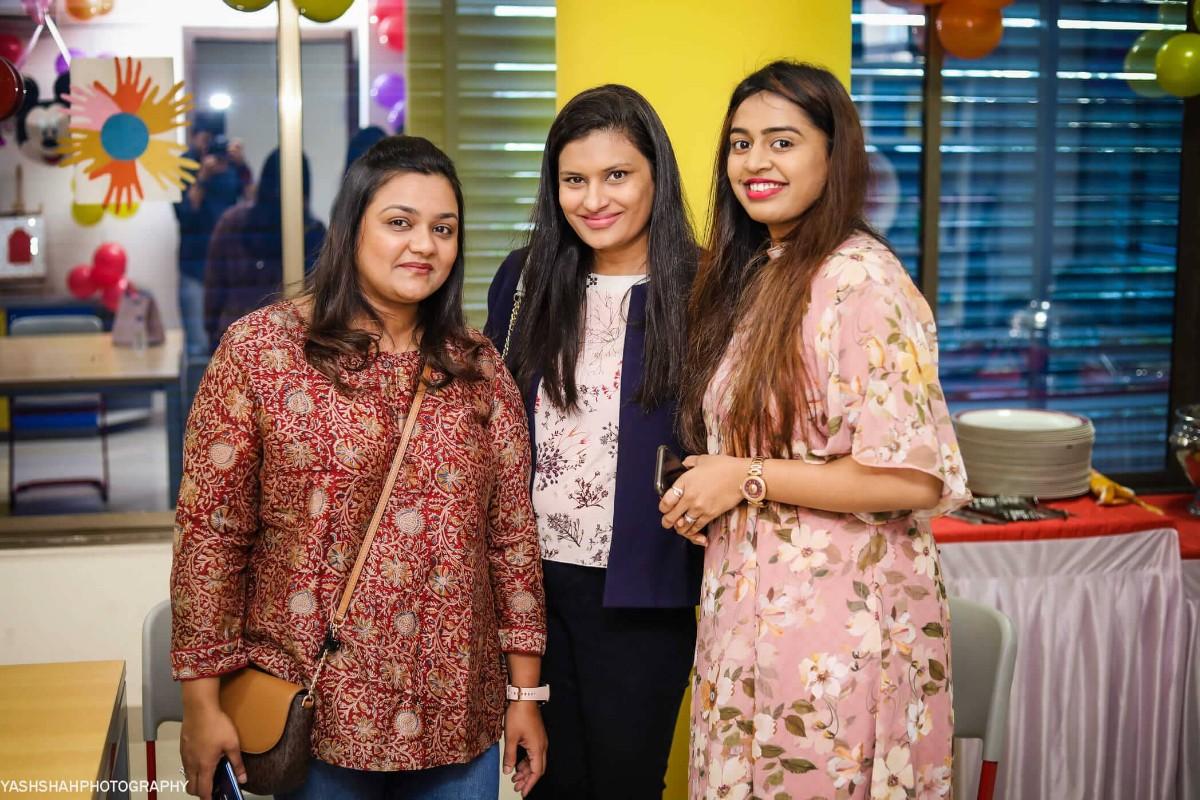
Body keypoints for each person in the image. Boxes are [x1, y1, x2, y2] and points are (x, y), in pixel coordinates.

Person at [171, 135, 548, 800]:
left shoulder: (478, 368)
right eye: (400, 222)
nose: (424, 245)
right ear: (351, 229)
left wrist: (525, 695)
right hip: (316, 716)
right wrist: (202, 705)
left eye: (443, 229)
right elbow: (211, 537)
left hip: (455, 717)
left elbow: (512, 540)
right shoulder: (263, 353)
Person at [660, 61, 970, 799]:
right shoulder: (763, 273)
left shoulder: (861, 280)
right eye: (740, 143)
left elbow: (911, 476)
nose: (755, 162)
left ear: (835, 156)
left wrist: (744, 478)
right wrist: (710, 492)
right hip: (752, 619)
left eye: (782, 141)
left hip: (841, 633)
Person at [484, 84, 701, 799]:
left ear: (655, 177)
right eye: (574, 180)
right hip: (530, 589)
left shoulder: (705, 287)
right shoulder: (524, 279)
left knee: (624, 784)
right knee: (541, 783)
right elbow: (491, 417)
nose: (594, 199)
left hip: (643, 588)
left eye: (617, 175)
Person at [203, 148, 326, 349]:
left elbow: (214, 289)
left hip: (252, 339)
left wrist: (213, 338)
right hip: (263, 341)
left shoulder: (312, 232)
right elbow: (215, 287)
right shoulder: (235, 224)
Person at [175, 129, 243, 357]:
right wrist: (203, 176)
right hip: (195, 267)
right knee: (197, 347)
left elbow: (255, 205)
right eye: (205, 139)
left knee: (235, 345)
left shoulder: (232, 167)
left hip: (230, 270)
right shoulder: (184, 166)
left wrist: (243, 167)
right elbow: (185, 213)